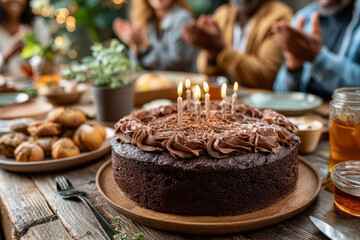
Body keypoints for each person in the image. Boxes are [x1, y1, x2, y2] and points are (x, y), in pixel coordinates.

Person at [182, 0, 293, 89]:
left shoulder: (279, 17)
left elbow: (267, 77)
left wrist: (220, 50)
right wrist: (212, 53)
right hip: (226, 100)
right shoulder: (223, 13)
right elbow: (203, 69)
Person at [273, 0, 360, 101]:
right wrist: (293, 69)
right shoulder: (304, 17)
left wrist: (317, 57)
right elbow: (280, 94)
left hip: (343, 114)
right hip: (306, 114)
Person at [113, 0, 199, 72]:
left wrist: (145, 45)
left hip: (180, 87)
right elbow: (137, 69)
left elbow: (177, 65)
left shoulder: (183, 18)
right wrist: (135, 45)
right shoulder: (146, 20)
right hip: (153, 85)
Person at [0, 0, 49, 74]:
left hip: (34, 84)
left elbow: (47, 66)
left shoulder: (38, 24)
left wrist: (29, 51)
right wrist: (10, 51)